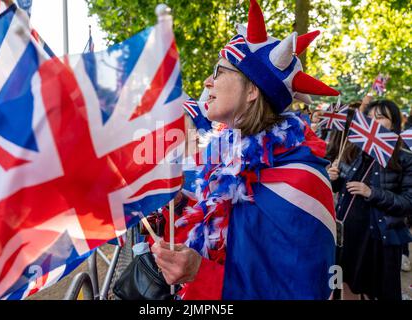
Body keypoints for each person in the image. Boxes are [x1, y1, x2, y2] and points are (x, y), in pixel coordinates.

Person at [151, 0, 339, 300]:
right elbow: (218, 227)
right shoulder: (225, 159)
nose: (207, 82)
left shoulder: (302, 183)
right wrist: (174, 205)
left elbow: (302, 291)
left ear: (252, 90)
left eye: (219, 70)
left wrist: (202, 273)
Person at [327, 99, 412, 300]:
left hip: (379, 237)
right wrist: (334, 178)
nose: (374, 122)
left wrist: (371, 193)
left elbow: (408, 202)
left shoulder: (404, 157)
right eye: (371, 117)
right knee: (345, 281)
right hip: (348, 232)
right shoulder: (357, 148)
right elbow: (344, 186)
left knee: (377, 289)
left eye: (381, 117)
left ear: (394, 123)